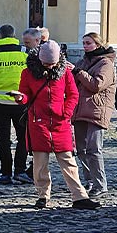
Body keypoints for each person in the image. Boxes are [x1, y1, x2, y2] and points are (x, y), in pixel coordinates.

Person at [15, 41, 99, 210]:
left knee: (69, 162)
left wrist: (66, 113)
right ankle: (43, 196)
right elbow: (25, 95)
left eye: (52, 64)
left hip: (60, 123)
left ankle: (79, 197)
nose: (50, 67)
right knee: (40, 164)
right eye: (47, 63)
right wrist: (20, 98)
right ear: (39, 60)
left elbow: (73, 94)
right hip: (38, 123)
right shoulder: (28, 73)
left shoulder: (65, 73)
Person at [68, 32, 116, 197]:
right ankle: (89, 180)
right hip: (80, 109)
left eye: (88, 43)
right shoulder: (83, 61)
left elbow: (97, 85)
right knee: (81, 149)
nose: (85, 46)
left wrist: (78, 72)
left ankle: (100, 184)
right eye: (84, 43)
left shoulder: (106, 64)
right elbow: (75, 84)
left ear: (98, 44)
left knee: (94, 149)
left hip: (97, 110)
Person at [0, 24, 30, 185]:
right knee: (22, 138)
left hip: (0, 103)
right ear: (14, 35)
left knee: (3, 139)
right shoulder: (24, 53)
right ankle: (20, 170)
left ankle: (5, 173)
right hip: (21, 102)